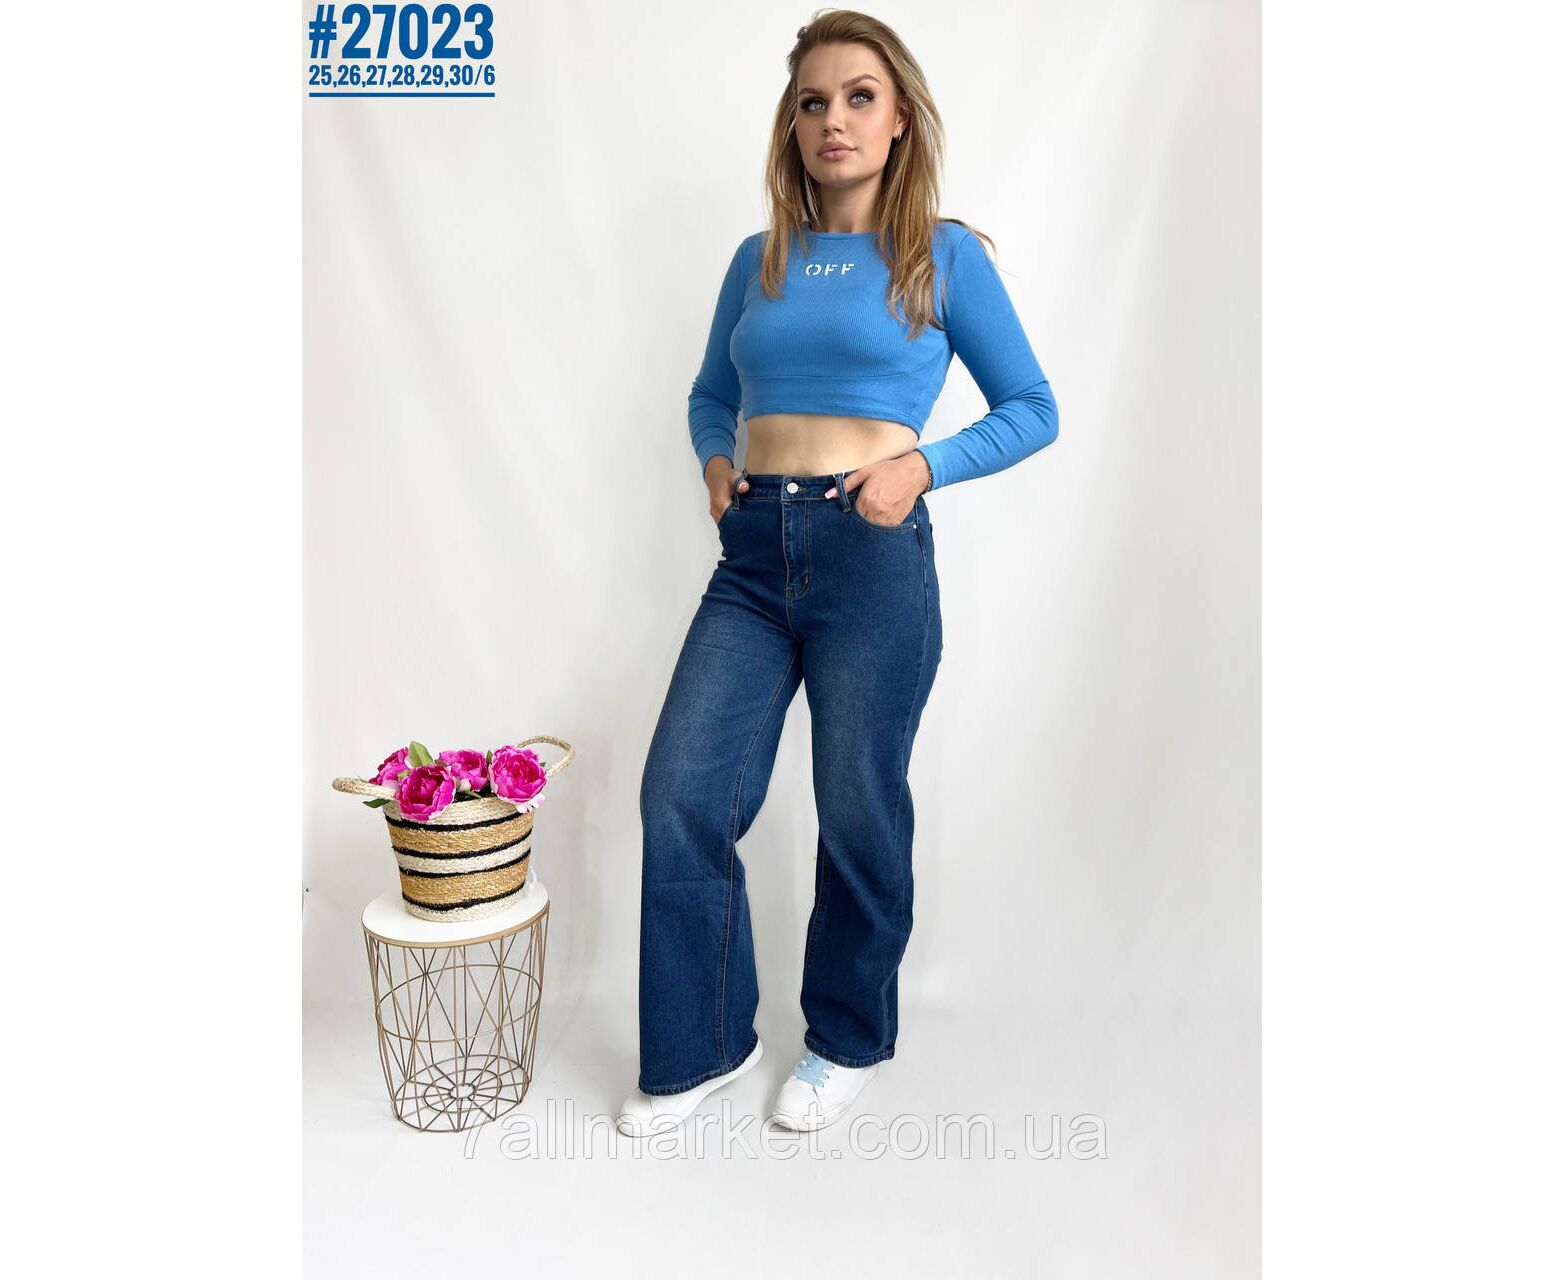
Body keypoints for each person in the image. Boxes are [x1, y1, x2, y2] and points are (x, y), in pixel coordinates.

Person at [617, 10, 1059, 1137]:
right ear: (792, 124)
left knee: (858, 806)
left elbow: (1031, 408)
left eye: (860, 96)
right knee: (680, 793)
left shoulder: (941, 256)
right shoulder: (756, 259)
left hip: (870, 556)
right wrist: (715, 464)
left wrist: (919, 466)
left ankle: (845, 1038)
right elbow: (710, 393)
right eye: (812, 101)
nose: (834, 120)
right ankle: (701, 1046)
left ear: (899, 117)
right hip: (752, 555)